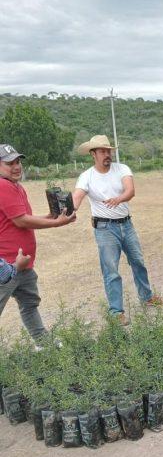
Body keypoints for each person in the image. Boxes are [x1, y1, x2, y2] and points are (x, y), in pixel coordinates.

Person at [72, 135, 163, 325]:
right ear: (93, 154)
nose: (107, 154)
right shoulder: (86, 176)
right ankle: (116, 312)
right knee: (111, 270)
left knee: (138, 261)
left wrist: (119, 199)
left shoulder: (122, 169)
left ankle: (146, 297)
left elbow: (130, 191)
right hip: (104, 228)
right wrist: (69, 209)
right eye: (103, 151)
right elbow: (77, 197)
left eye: (109, 151)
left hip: (126, 225)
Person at [0, 143, 76, 342]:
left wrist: (50, 217)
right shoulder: (3, 186)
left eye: (18, 161)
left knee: (29, 304)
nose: (16, 166)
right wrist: (55, 224)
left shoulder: (16, 186)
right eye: (10, 163)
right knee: (27, 305)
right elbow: (21, 221)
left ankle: (43, 343)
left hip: (22, 263)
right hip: (7, 265)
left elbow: (23, 219)